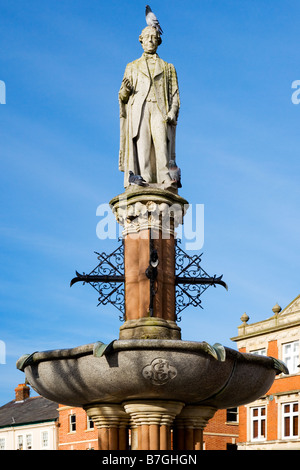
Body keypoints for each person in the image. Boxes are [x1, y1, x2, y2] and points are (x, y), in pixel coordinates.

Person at [118, 26, 180, 188]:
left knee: (161, 144)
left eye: (154, 38)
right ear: (141, 41)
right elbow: (123, 97)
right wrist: (125, 91)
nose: (151, 41)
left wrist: (173, 112)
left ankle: (165, 177)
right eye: (147, 38)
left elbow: (174, 95)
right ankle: (143, 177)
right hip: (139, 109)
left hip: (160, 109)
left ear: (158, 41)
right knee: (143, 145)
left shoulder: (168, 68)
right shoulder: (132, 66)